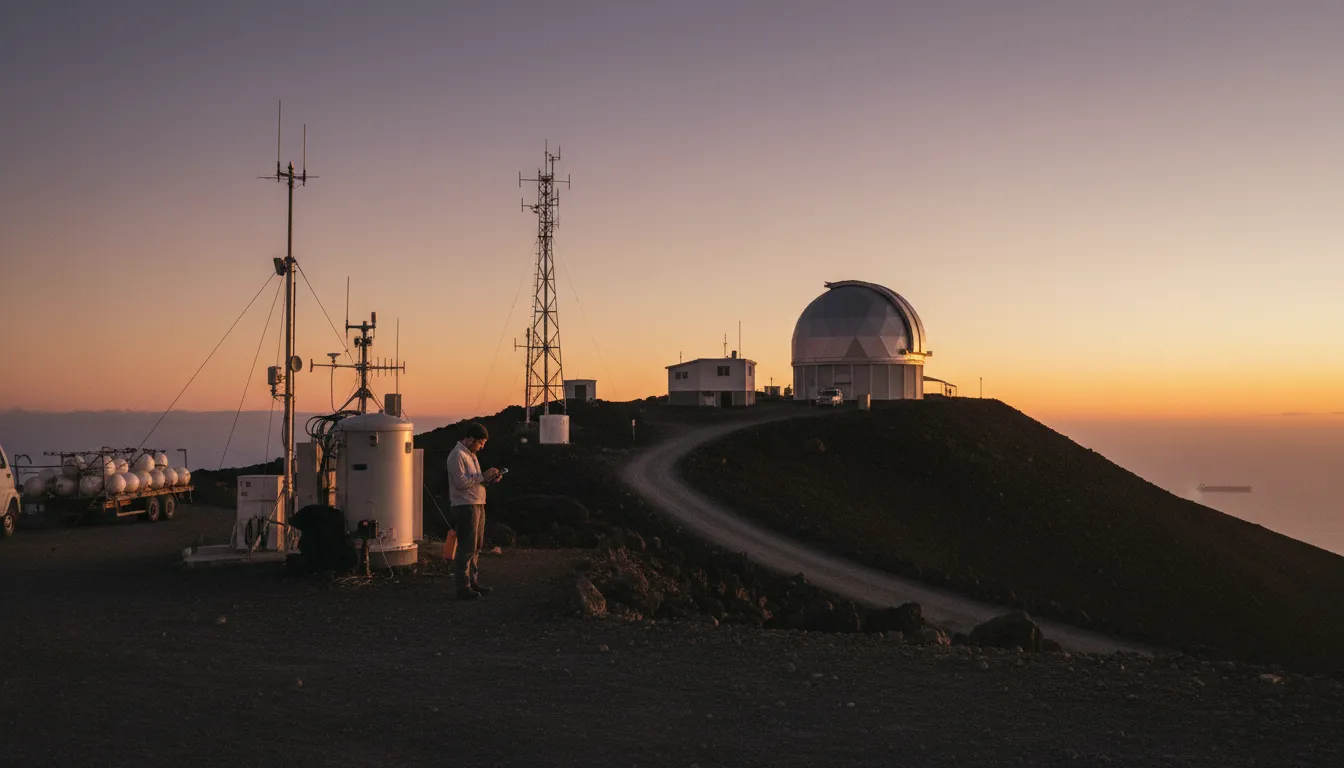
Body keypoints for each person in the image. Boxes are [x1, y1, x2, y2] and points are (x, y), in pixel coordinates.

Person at [447, 422, 502, 600]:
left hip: (477, 503)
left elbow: (475, 481)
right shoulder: (457, 455)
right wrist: (482, 476)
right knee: (466, 547)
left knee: (476, 547)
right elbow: (460, 482)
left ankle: (472, 582)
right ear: (470, 439)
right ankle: (463, 587)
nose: (481, 447)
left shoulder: (471, 455)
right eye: (480, 443)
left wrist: (490, 479)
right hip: (465, 505)